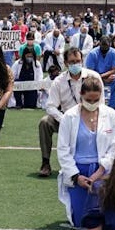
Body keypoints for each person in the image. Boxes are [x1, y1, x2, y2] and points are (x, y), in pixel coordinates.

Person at [55, 75, 115, 229]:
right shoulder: (69, 117)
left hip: (103, 171)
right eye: (88, 100)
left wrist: (99, 173)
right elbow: (63, 149)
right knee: (81, 222)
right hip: (78, 172)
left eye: (95, 100)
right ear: (81, 96)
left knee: (106, 222)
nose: (92, 103)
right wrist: (76, 177)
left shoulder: (111, 115)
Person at [40, 48, 97, 178]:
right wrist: (64, 118)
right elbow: (50, 106)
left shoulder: (93, 77)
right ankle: (45, 162)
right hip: (66, 119)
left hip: (90, 119)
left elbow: (101, 104)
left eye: (78, 61)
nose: (75, 64)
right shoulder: (59, 81)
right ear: (65, 63)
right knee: (45, 122)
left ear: (82, 60)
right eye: (72, 62)